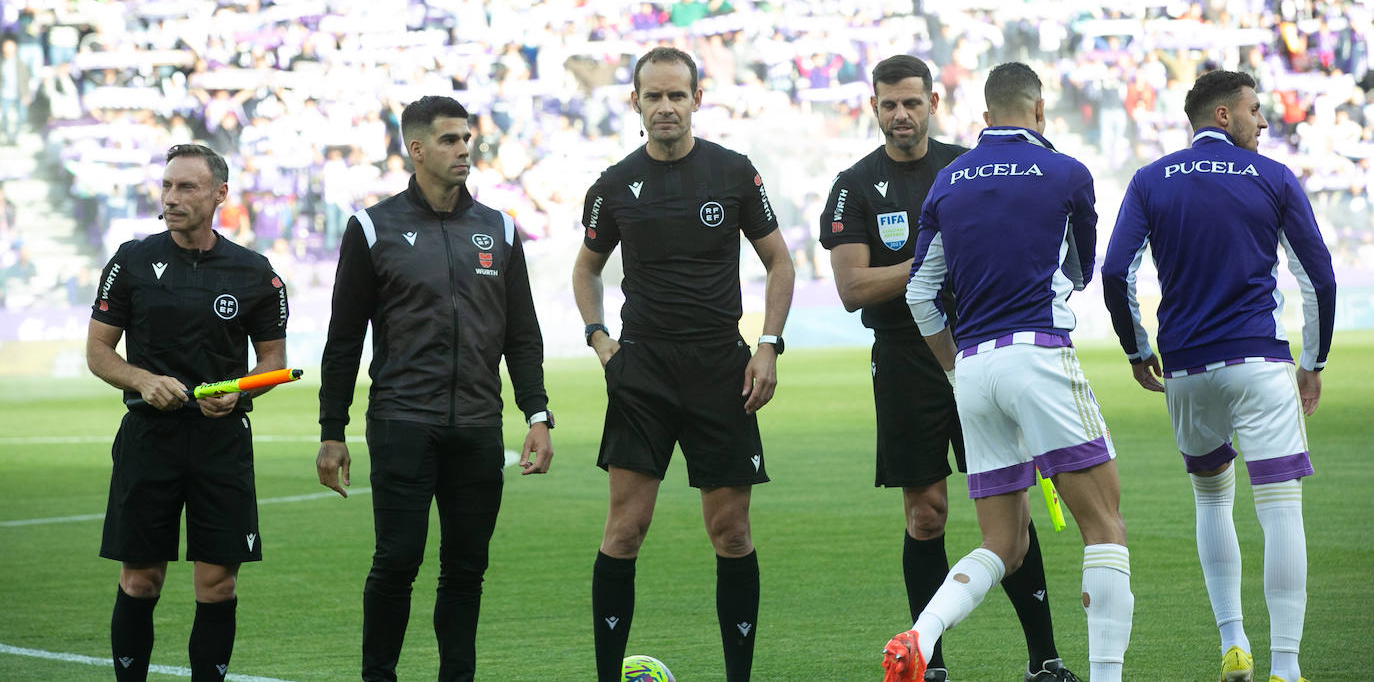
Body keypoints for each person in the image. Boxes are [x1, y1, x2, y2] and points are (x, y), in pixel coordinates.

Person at [819, 55, 1078, 682]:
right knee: (926, 511)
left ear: (934, 102)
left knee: (1009, 507)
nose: (901, 115)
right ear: (874, 107)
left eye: (912, 102)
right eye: (889, 104)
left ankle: (1044, 658)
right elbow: (853, 287)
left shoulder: (968, 170)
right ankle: (927, 664)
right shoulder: (855, 185)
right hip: (905, 363)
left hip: (980, 349)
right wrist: (937, 260)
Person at [884, 62, 1133, 682]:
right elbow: (1079, 270)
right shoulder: (1067, 173)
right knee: (1103, 525)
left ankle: (921, 634)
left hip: (971, 368)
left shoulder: (947, 181)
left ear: (985, 117)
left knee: (1004, 544)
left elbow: (920, 295)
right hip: (1038, 355)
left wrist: (954, 370)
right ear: (1040, 110)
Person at [1102, 70, 1336, 682]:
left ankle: (1233, 643)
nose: (1264, 121)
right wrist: (1314, 363)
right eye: (1256, 110)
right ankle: (1285, 667)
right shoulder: (1273, 176)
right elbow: (1320, 279)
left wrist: (1136, 348)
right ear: (1225, 116)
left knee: (1212, 497)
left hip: (1185, 367)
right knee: (1281, 507)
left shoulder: (1151, 179)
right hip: (1258, 359)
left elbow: (1114, 271)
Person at [571, 46, 795, 682]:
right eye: (653, 96)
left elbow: (781, 260)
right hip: (642, 371)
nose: (665, 107)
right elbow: (585, 268)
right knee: (626, 530)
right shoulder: (614, 185)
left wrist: (768, 344)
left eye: (676, 95)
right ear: (635, 103)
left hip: (722, 369)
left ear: (697, 99)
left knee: (730, 532)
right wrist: (598, 337)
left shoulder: (732, 172)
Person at [316, 95, 552, 682]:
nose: (463, 149)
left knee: (467, 567)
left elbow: (522, 333)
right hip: (402, 422)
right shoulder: (372, 228)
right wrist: (331, 431)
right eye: (449, 140)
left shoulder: (498, 227)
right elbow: (344, 338)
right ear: (415, 150)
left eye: (466, 138)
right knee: (397, 561)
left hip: (477, 425)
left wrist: (538, 414)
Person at [88, 143, 290, 682]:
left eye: (187, 188)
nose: (172, 199)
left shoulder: (254, 272)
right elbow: (99, 353)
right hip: (148, 439)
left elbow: (273, 365)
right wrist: (142, 380)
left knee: (217, 585)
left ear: (220, 194)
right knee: (140, 581)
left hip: (220, 443)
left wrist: (241, 394)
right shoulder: (131, 260)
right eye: (167, 187)